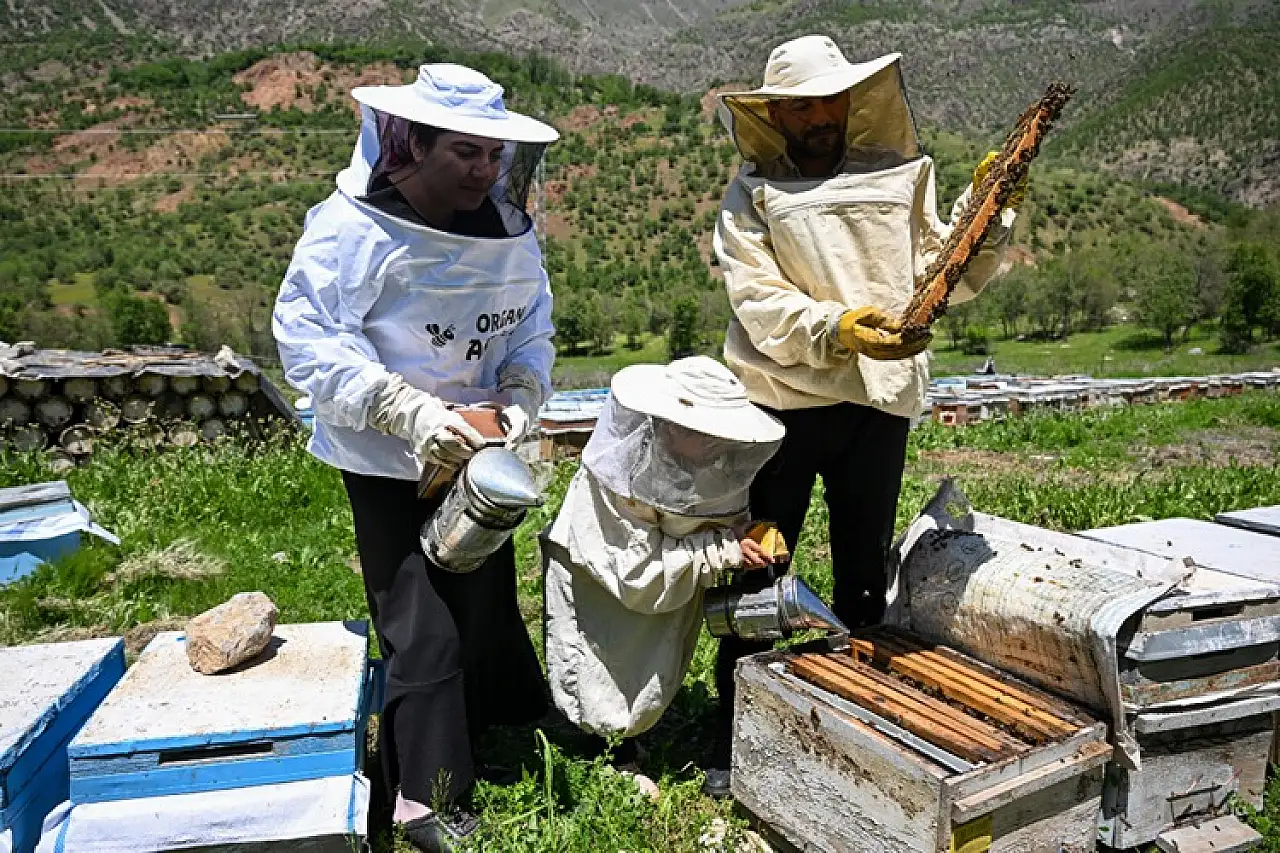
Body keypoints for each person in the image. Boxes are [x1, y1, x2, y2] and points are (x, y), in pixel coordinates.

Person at [707, 35, 1025, 794]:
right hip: (781, 405)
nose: (818, 115)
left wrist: (989, 215)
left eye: (829, 99)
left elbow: (945, 273)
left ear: (851, 101)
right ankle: (735, 733)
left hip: (878, 408)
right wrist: (837, 327)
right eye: (801, 104)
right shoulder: (752, 195)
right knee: (758, 566)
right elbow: (757, 301)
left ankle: (858, 720)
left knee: (862, 568)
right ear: (776, 114)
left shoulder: (902, 177)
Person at [272, 63, 559, 852]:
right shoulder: (347, 228)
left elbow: (532, 326)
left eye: (493, 154)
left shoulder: (506, 228)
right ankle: (426, 798)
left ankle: (496, 721)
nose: (485, 170)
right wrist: (404, 410)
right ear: (410, 145)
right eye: (465, 152)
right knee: (420, 620)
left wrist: (521, 395)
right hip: (385, 456)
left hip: (482, 453)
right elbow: (308, 336)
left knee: (485, 596)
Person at [541, 357, 784, 782]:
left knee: (650, 656)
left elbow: (713, 518)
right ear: (672, 425)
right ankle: (608, 750)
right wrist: (725, 547)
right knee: (602, 657)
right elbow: (635, 574)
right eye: (703, 434)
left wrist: (740, 535)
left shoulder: (710, 460)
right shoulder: (624, 470)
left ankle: (628, 735)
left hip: (666, 583)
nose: (714, 444)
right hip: (604, 573)